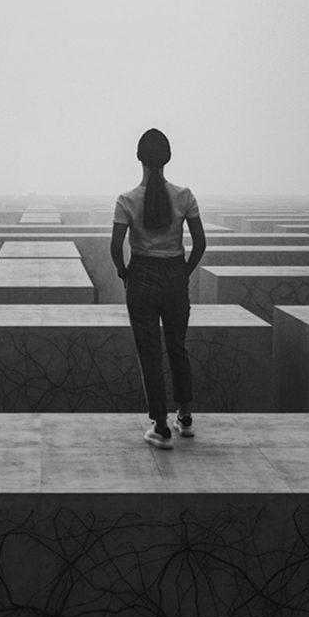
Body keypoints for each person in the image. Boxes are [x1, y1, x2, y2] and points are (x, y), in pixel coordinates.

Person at [110, 128, 206, 450]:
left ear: (139, 157)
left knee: (150, 353)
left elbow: (115, 247)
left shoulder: (126, 200)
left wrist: (125, 274)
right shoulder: (185, 196)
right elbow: (200, 243)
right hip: (174, 276)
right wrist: (183, 272)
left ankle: (161, 427)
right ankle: (186, 418)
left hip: (142, 277)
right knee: (178, 348)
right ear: (167, 158)